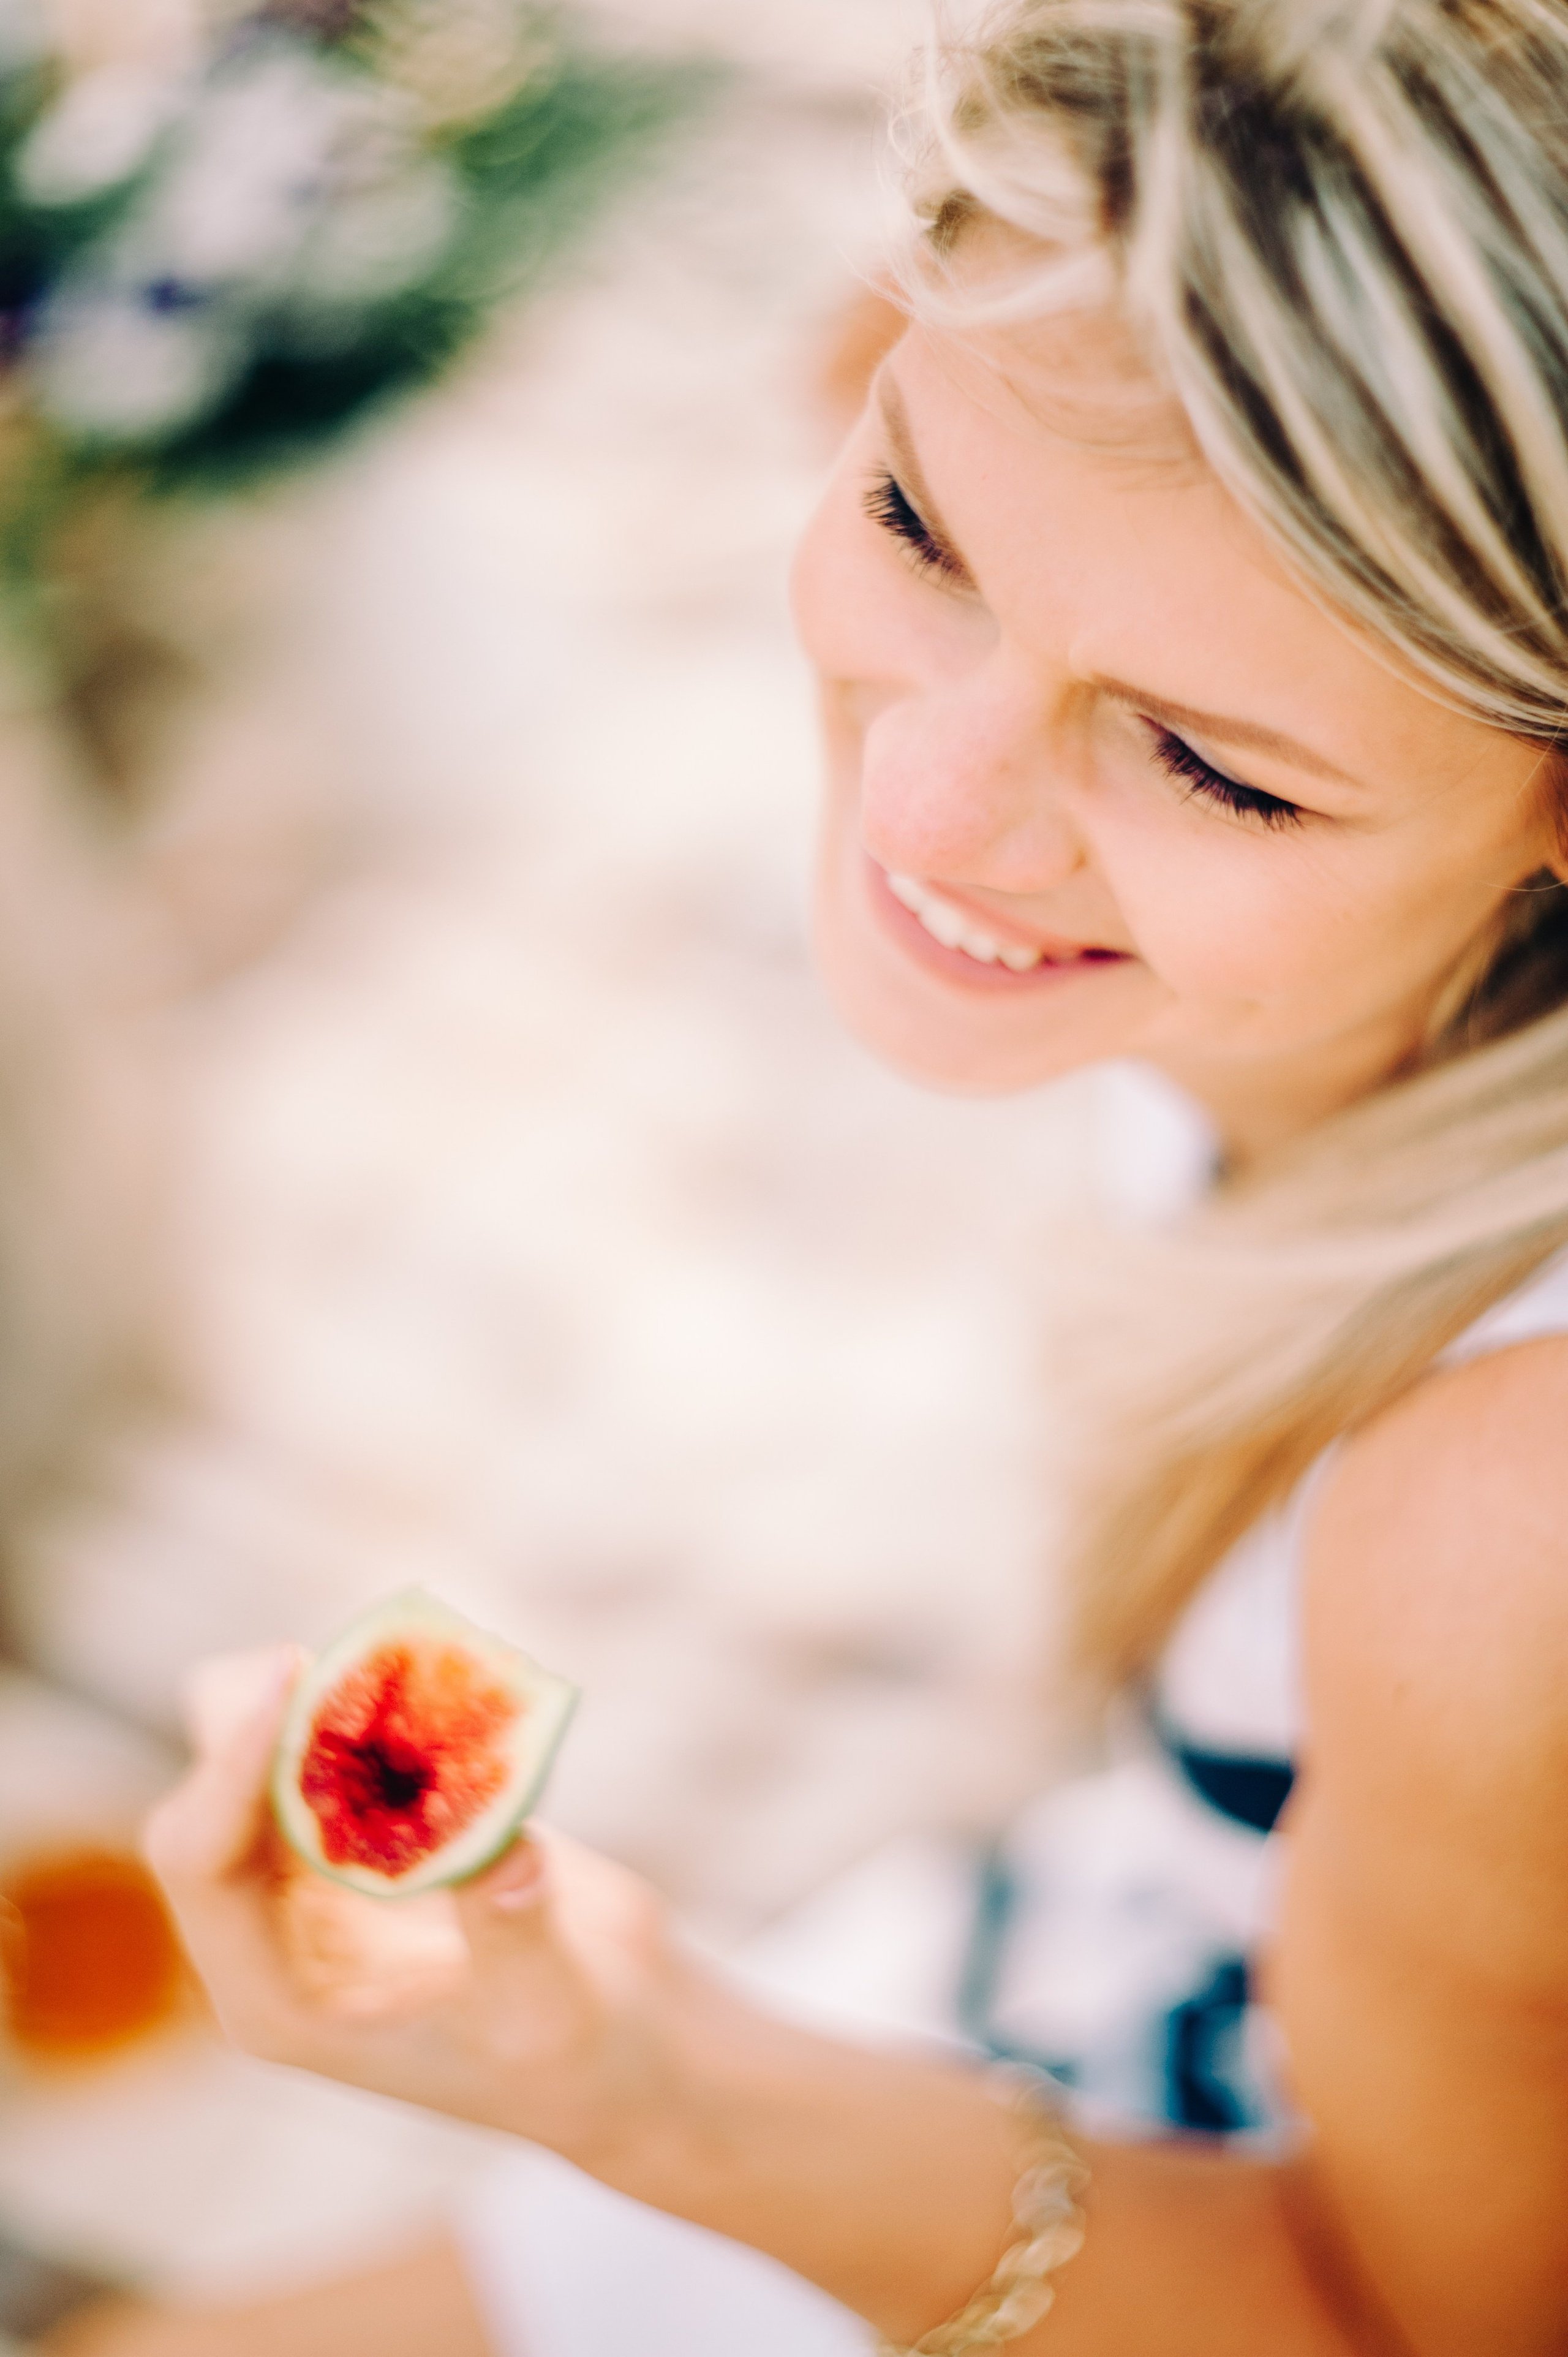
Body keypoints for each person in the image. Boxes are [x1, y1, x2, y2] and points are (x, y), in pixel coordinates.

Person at [62, 0, 1568, 2350]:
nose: (934, 814)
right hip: (1024, 1975)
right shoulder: (1253, 834)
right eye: (915, 527)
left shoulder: (1512, 1527)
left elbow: (1400, 2325)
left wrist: (640, 2076)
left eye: (1213, 767)